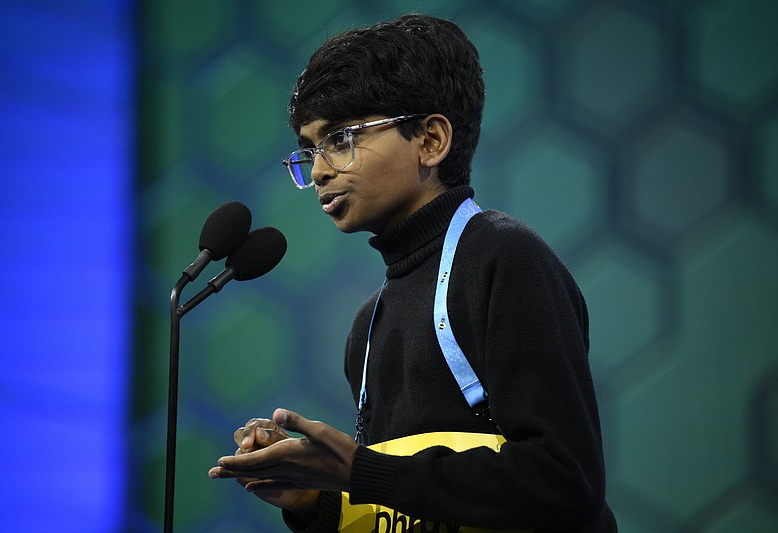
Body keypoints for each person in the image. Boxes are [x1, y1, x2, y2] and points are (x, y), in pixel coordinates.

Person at [208, 13, 617, 532]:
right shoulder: (368, 327)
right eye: (309, 150)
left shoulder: (507, 262)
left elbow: (565, 484)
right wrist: (316, 501)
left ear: (430, 141)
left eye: (340, 139)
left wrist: (361, 470)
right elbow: (405, 509)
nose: (318, 171)